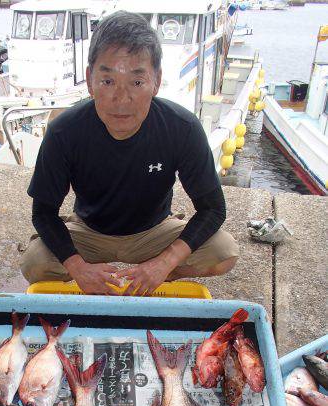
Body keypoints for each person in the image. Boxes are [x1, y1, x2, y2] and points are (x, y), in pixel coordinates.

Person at [20, 11, 239, 296]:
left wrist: (163, 263)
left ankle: (149, 275)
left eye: (137, 82)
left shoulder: (182, 128)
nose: (121, 99)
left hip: (154, 230)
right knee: (34, 263)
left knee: (224, 252)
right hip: (89, 230)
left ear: (156, 81)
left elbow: (213, 209)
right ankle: (100, 277)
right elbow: (43, 212)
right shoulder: (64, 131)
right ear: (89, 80)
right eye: (108, 81)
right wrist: (78, 267)